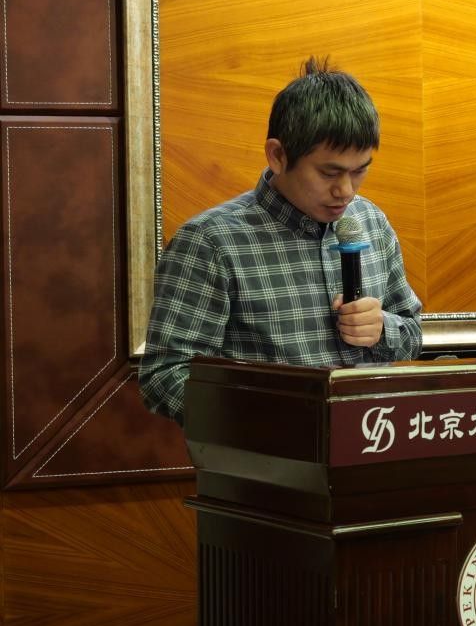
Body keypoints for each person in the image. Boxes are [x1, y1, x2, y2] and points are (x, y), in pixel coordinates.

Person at [140, 57, 423, 426]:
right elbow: (164, 376)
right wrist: (269, 416)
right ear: (277, 155)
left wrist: (383, 329)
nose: (345, 190)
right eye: (329, 173)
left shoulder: (371, 222)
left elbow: (413, 333)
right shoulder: (211, 242)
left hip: (372, 442)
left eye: (360, 171)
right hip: (267, 454)